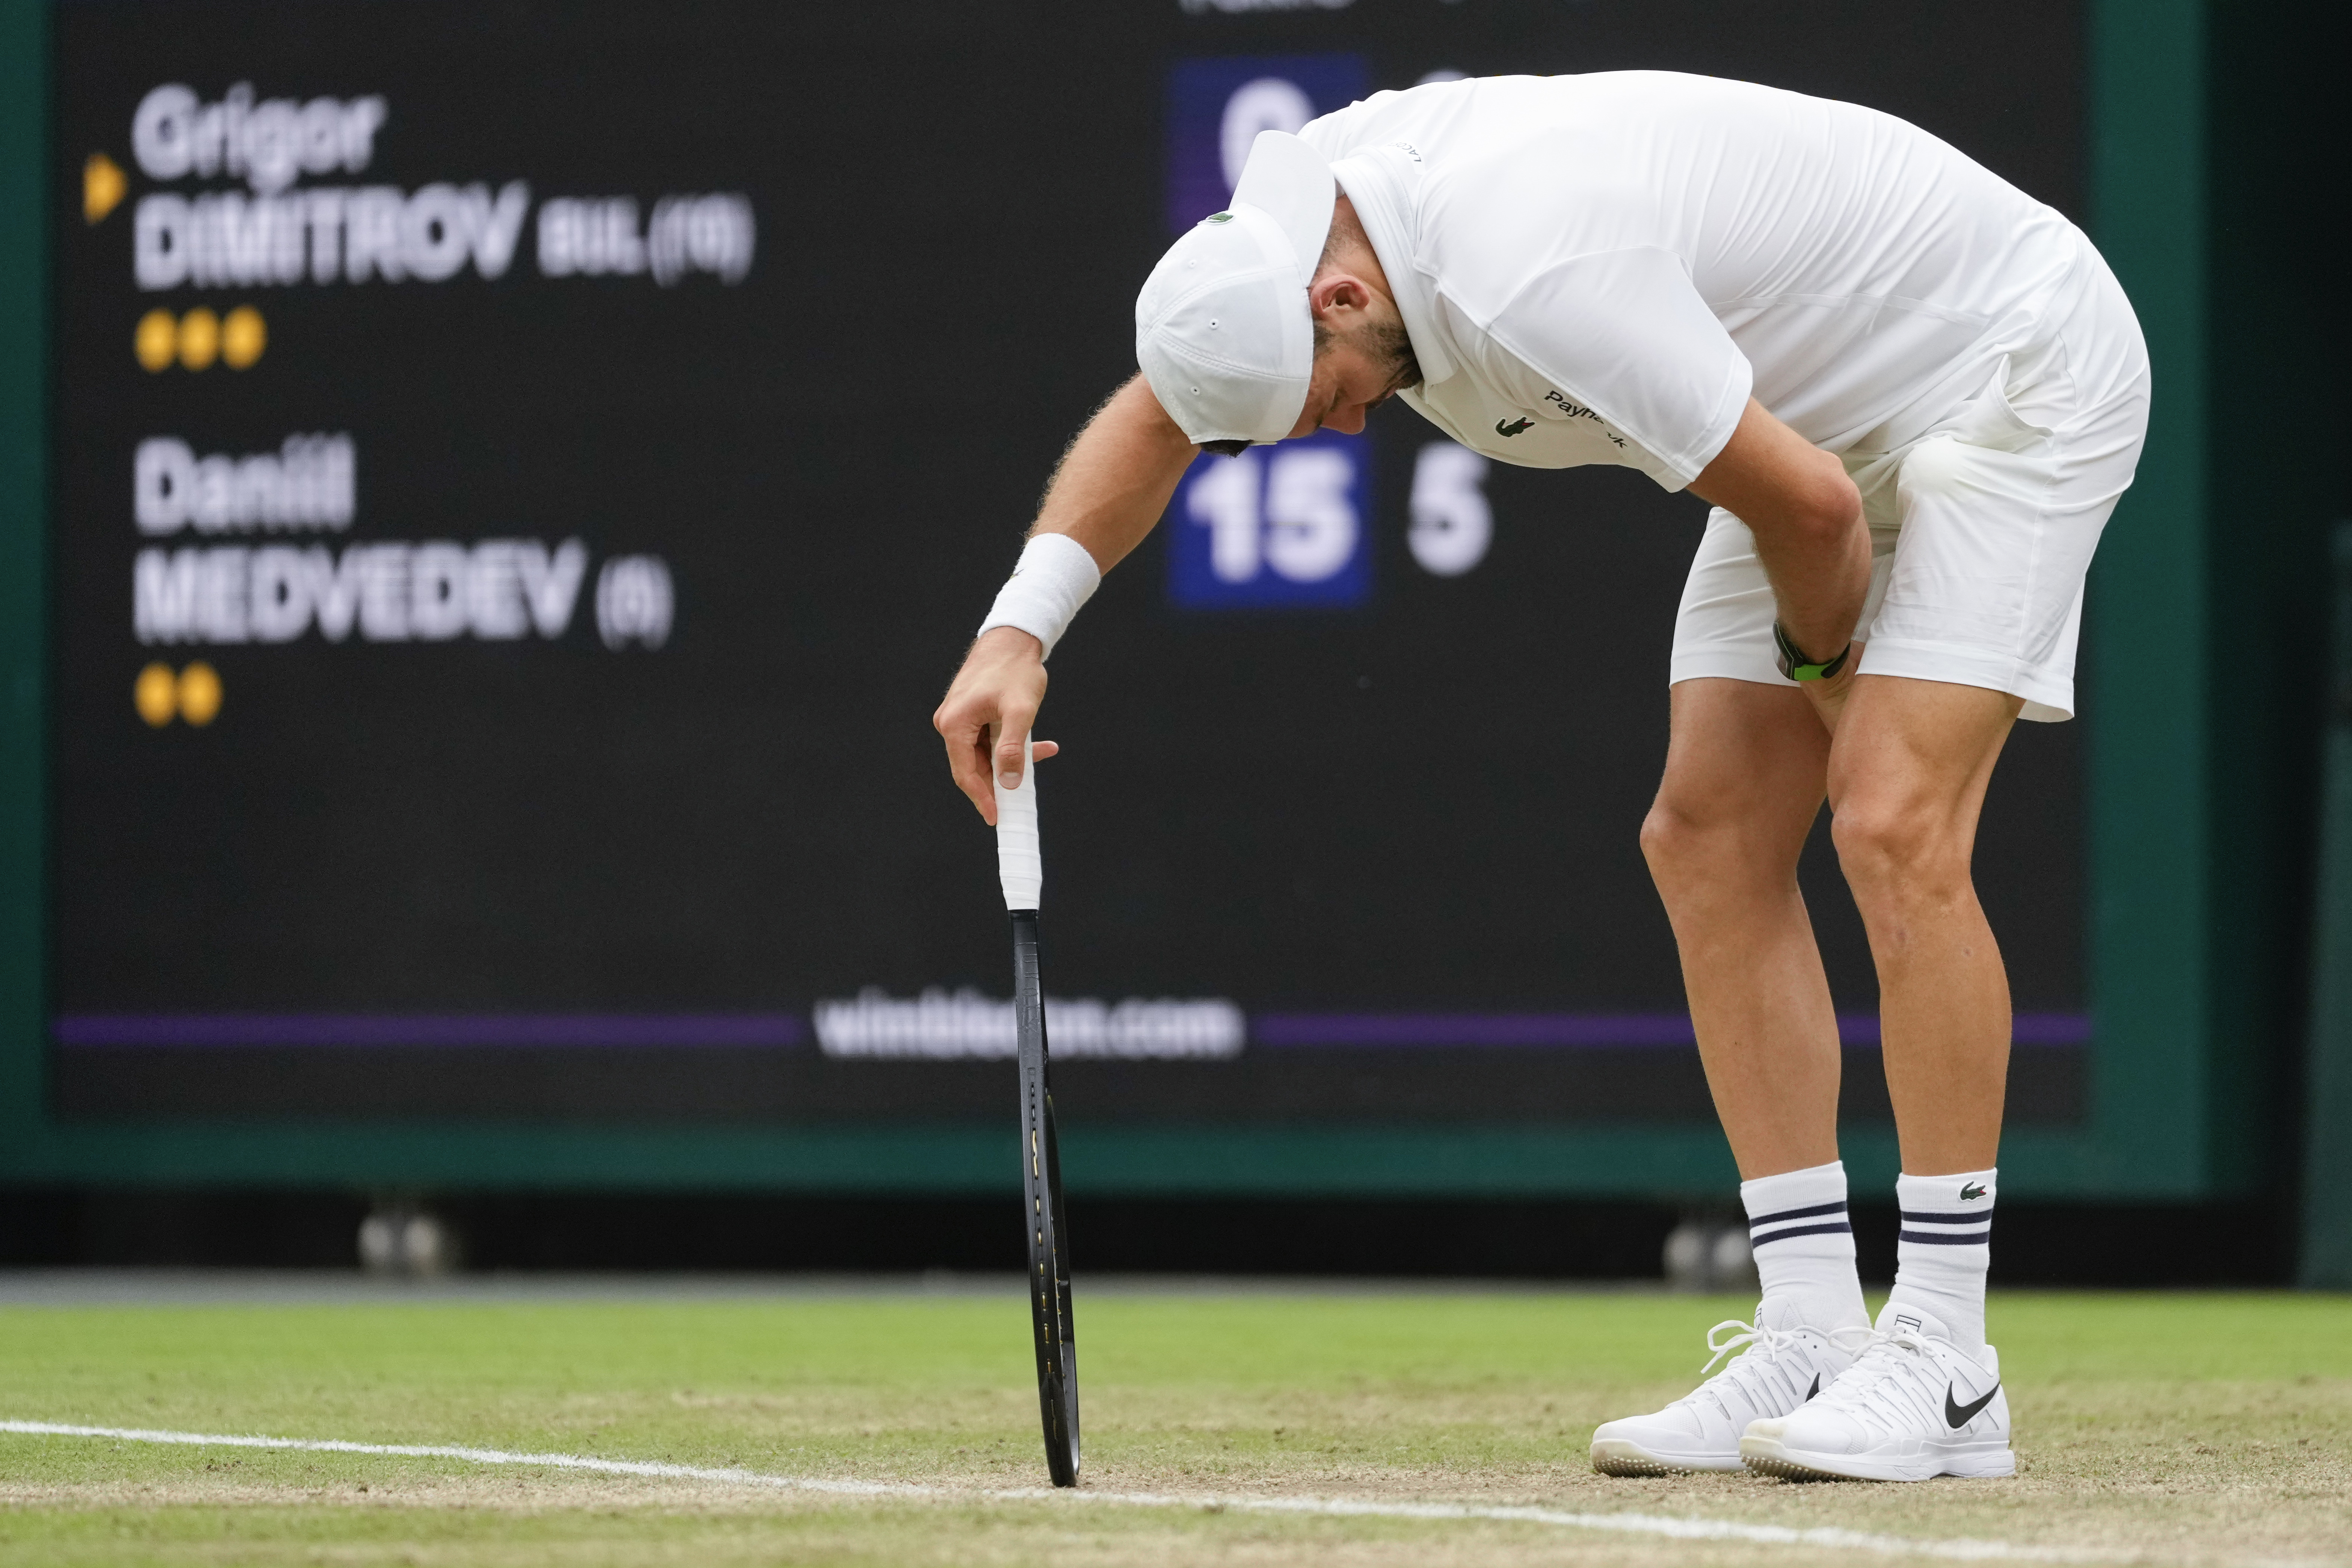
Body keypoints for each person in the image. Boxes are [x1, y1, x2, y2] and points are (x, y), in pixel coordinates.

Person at [931, 71, 2147, 1482]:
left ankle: (1947, 1362)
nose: (1335, 431)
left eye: (1325, 401)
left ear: (1337, 303)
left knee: (1889, 817)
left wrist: (1829, 682)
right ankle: (1814, 1327)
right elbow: (1163, 411)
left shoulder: (1532, 273)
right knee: (1704, 836)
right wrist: (1017, 632)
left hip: (2007, 366)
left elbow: (1811, 513)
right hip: (1824, 416)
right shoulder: (1282, 244)